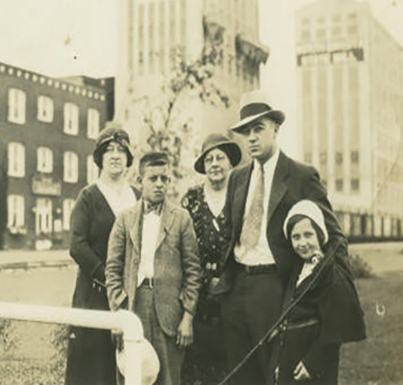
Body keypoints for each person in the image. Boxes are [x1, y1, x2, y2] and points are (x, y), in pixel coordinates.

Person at [218, 90, 350, 385]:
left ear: (275, 128)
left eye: (258, 129)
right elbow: (230, 235)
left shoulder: (301, 176)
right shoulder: (238, 178)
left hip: (276, 289)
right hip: (237, 290)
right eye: (245, 132)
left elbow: (336, 239)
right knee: (242, 379)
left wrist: (337, 295)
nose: (251, 138)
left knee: (277, 377)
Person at [106, 151, 202, 385]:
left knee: (168, 378)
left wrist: (187, 316)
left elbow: (193, 272)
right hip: (134, 306)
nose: (159, 184)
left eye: (164, 178)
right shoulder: (124, 219)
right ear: (139, 181)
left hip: (169, 312)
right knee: (132, 376)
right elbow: (112, 270)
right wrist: (119, 314)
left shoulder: (181, 219)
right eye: (153, 178)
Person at [65, 125, 140, 385]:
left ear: (129, 158)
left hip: (132, 294)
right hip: (95, 294)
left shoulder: (138, 197)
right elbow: (77, 245)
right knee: (93, 368)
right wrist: (106, 277)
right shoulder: (88, 197)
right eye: (109, 150)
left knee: (129, 364)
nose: (116, 155)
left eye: (121, 150)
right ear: (100, 158)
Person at [271, 200, 366, 384]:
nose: (302, 243)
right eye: (296, 237)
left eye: (308, 235)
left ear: (320, 235)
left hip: (314, 361)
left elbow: (334, 329)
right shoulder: (298, 269)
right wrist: (280, 362)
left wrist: (312, 363)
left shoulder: (329, 273)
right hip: (290, 357)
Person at [180, 133, 242, 385]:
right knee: (198, 363)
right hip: (198, 293)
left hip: (234, 290)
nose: (215, 164)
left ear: (230, 163)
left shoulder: (241, 195)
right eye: (209, 159)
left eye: (220, 158)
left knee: (233, 362)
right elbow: (179, 244)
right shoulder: (192, 198)